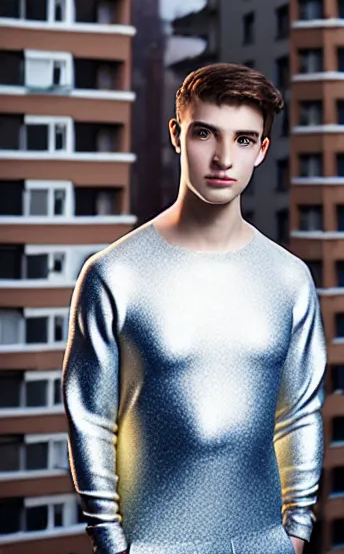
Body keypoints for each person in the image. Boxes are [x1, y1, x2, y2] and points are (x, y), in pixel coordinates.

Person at [62, 63, 328, 554]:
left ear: (262, 151)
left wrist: (297, 531)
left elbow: (299, 411)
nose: (224, 157)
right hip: (151, 547)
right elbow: (91, 418)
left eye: (245, 139)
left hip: (265, 544)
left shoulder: (290, 278)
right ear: (177, 135)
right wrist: (111, 541)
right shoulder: (114, 275)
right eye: (206, 133)